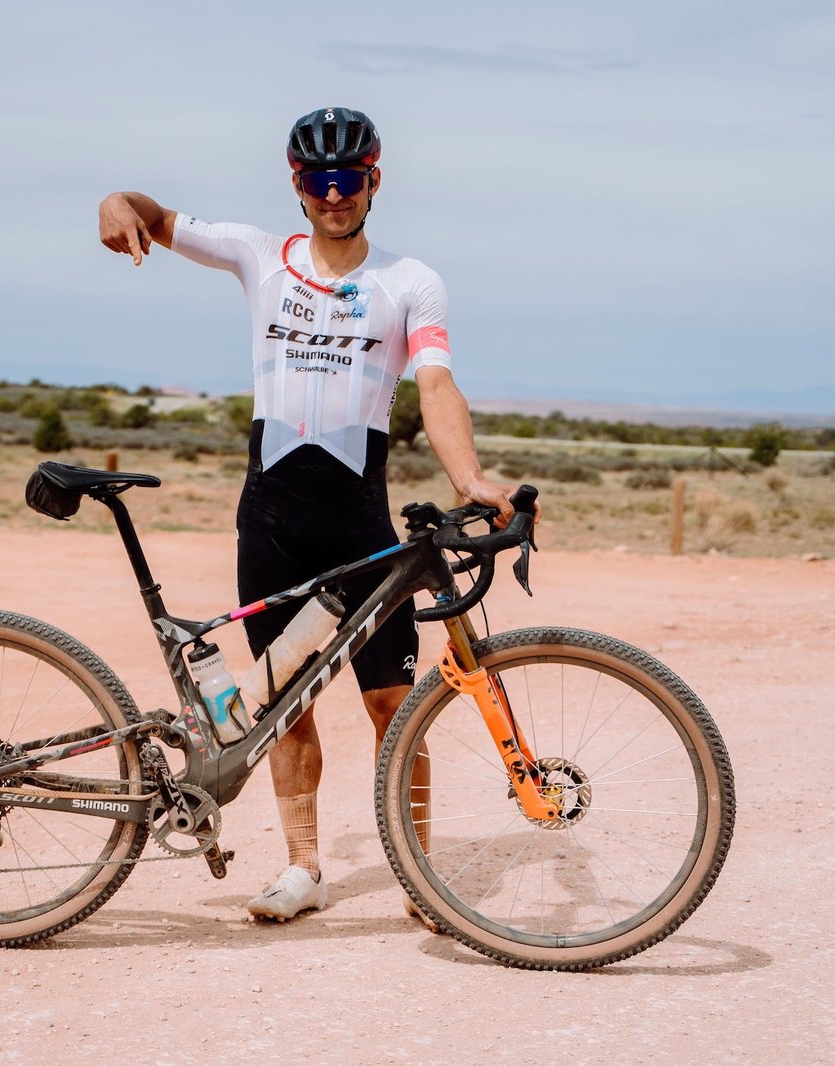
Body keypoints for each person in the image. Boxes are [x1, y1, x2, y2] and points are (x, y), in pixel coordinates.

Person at [98, 106, 520, 927]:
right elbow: (154, 216)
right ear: (298, 184)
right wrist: (117, 200)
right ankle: (303, 869)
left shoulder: (411, 282)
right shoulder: (262, 256)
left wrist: (468, 476)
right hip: (273, 521)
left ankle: (418, 871)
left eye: (350, 179)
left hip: (359, 523)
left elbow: (435, 384)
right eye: (320, 181)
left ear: (374, 179)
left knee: (393, 706)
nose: (335, 195)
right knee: (283, 706)